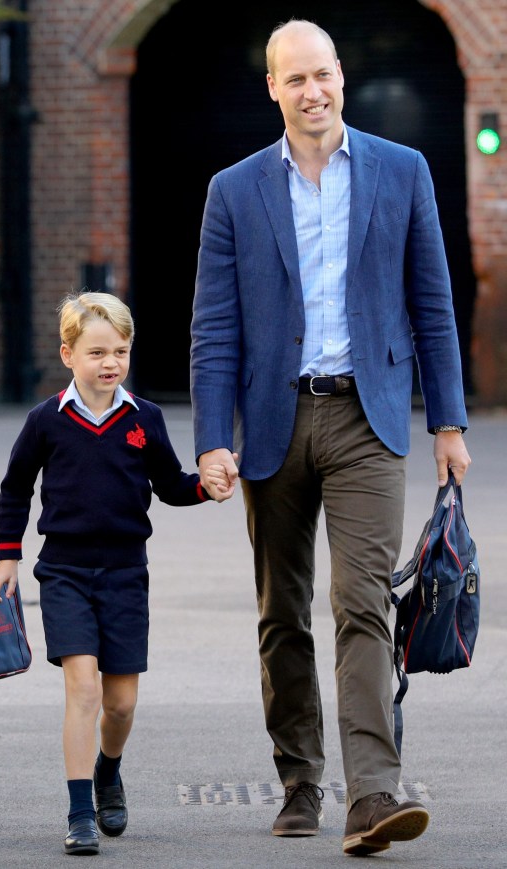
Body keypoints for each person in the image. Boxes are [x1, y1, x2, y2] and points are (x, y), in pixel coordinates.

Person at [189, 19, 472, 857]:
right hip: (272, 422)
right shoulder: (234, 190)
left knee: (363, 604)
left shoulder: (402, 169)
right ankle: (300, 777)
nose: (313, 92)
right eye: (295, 80)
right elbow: (215, 327)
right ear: (271, 89)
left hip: (368, 417)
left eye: (324, 75)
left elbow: (433, 301)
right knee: (283, 613)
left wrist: (447, 421)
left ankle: (374, 794)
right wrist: (211, 437)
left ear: (341, 76)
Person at [0, 292, 231, 856]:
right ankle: (78, 815)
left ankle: (108, 771)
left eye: (120, 351)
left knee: (120, 704)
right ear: (68, 354)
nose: (110, 362)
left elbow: (170, 485)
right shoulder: (46, 420)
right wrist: (7, 554)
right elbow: (16, 487)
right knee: (84, 688)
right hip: (64, 572)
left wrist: (204, 487)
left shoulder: (146, 418)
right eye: (97, 352)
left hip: (125, 574)